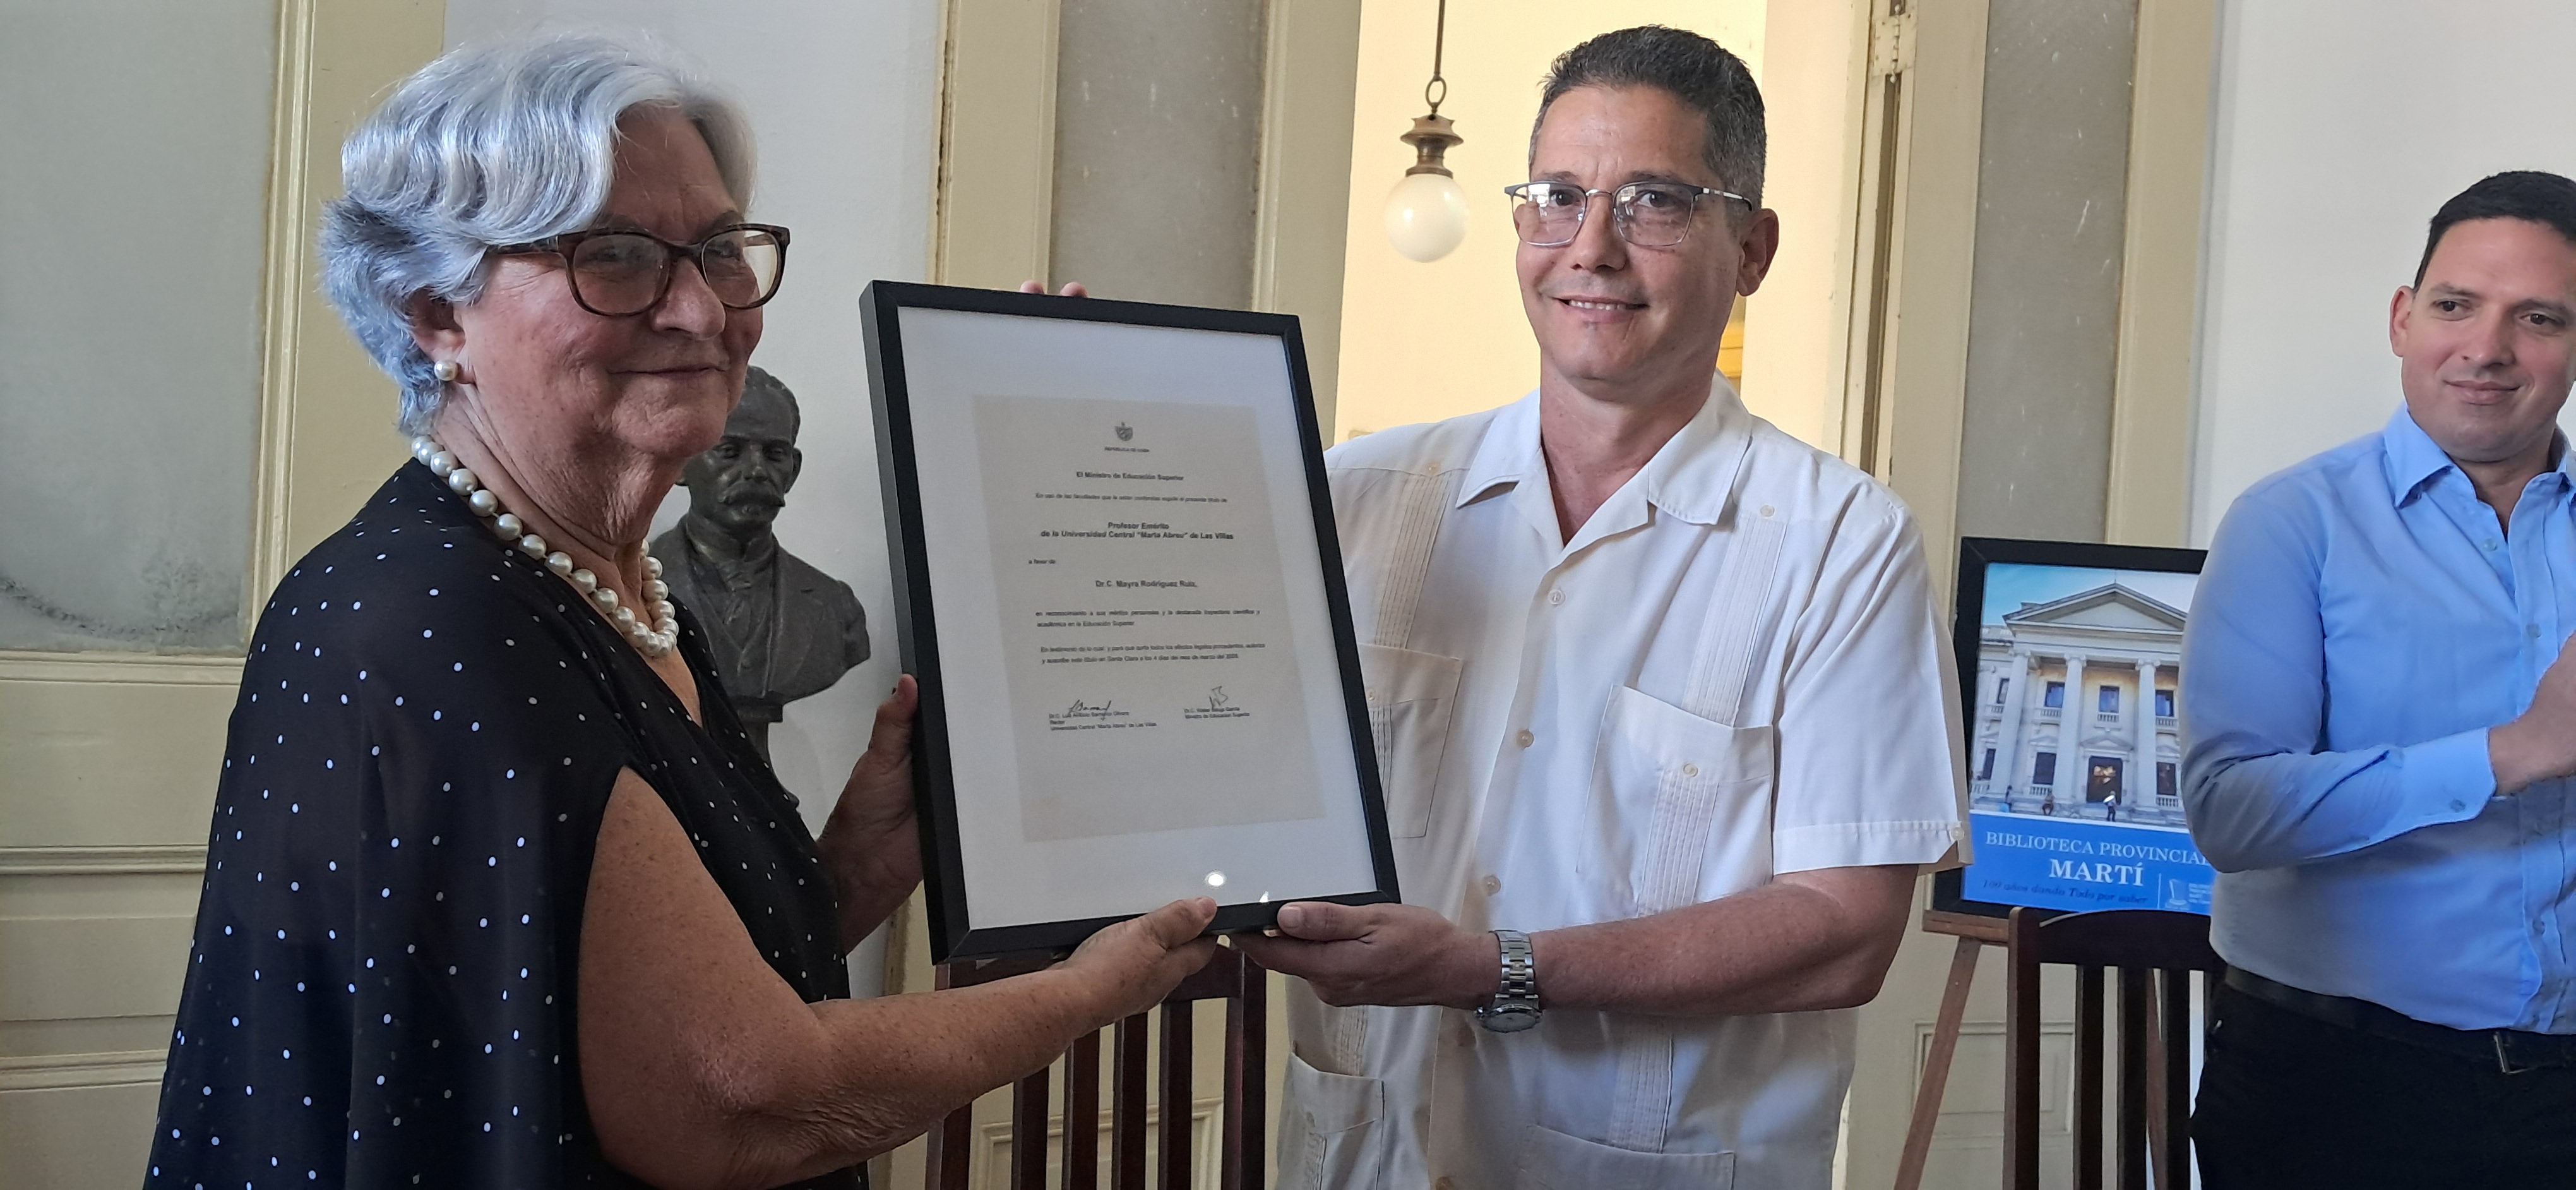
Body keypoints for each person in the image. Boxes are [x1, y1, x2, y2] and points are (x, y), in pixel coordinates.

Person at [145, 34, 1215, 1190]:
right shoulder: (430, 616)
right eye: (615, 256)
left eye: (718, 250)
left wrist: (871, 844)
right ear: (433, 313)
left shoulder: (618, 586)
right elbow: (740, 1096)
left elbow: (635, 973)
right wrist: (1090, 985)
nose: (703, 311)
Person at [1234, 27, 1967, 1190]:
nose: (1591, 249)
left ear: (1754, 247)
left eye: (1656, 202)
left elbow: (1844, 927)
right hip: (1366, 1154)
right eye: (1558, 197)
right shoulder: (1354, 495)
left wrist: (1491, 965)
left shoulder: (1839, 539)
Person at [2183, 171, 2576, 1187]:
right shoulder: (2291, 525)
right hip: (2334, 1088)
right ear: (2404, 319)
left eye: (2537, 318)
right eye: (2456, 305)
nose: (2487, 349)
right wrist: (2512, 753)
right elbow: (2231, 811)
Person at [653, 366, 871, 759]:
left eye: (774, 454)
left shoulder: (837, 608)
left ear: (794, 470)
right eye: (729, 451)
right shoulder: (627, 591)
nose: (756, 471)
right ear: (682, 461)